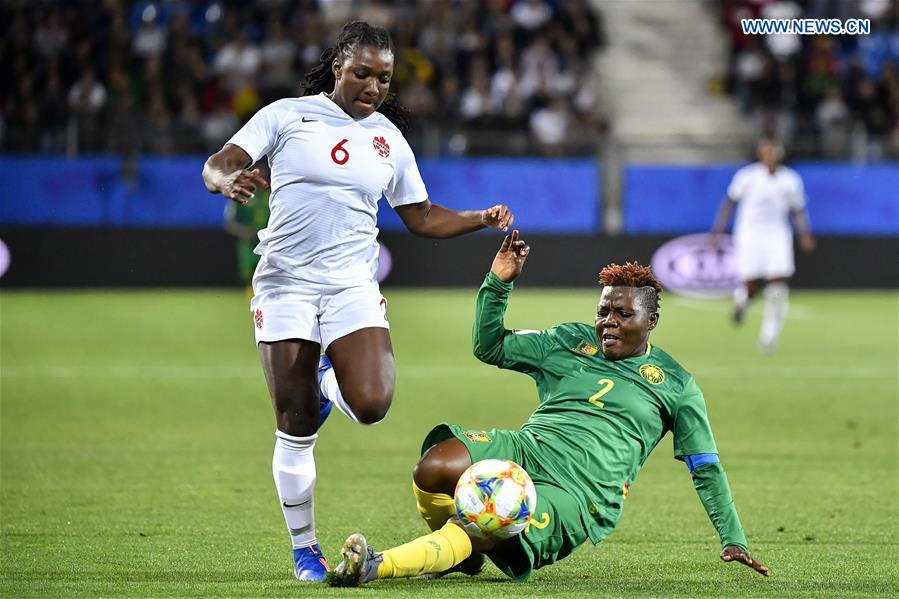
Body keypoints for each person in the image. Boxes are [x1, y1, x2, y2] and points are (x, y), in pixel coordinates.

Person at [201, 21, 514, 582]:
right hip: (284, 284)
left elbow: (419, 215)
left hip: (351, 287)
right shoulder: (286, 116)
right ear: (338, 67)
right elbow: (218, 162)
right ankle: (305, 550)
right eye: (362, 73)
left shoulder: (389, 139)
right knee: (295, 426)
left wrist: (478, 219)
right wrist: (227, 181)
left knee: (371, 404)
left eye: (385, 78)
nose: (373, 87)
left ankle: (325, 382)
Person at [330, 230, 769, 587]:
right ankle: (457, 556)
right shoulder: (570, 341)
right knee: (434, 466)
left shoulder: (676, 384)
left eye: (622, 314)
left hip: (579, 495)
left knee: (485, 524)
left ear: (651, 321)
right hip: (527, 449)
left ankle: (375, 565)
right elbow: (491, 346)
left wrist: (733, 537)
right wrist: (499, 282)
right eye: (603, 312)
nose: (608, 323)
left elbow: (705, 465)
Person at [712, 137, 815, 353]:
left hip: (778, 234)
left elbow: (798, 209)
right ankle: (742, 301)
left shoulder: (790, 179)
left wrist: (804, 233)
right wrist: (718, 230)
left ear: (780, 154)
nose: (770, 156)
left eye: (773, 152)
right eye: (766, 152)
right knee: (752, 284)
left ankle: (768, 338)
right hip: (750, 234)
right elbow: (730, 202)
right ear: (761, 155)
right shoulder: (747, 177)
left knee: (777, 283)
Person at [223, 166, 271, 300]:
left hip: (270, 244)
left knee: (270, 276)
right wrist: (245, 231)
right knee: (250, 277)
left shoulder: (273, 197)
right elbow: (230, 223)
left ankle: (266, 303)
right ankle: (254, 304)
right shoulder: (241, 197)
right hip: (249, 244)